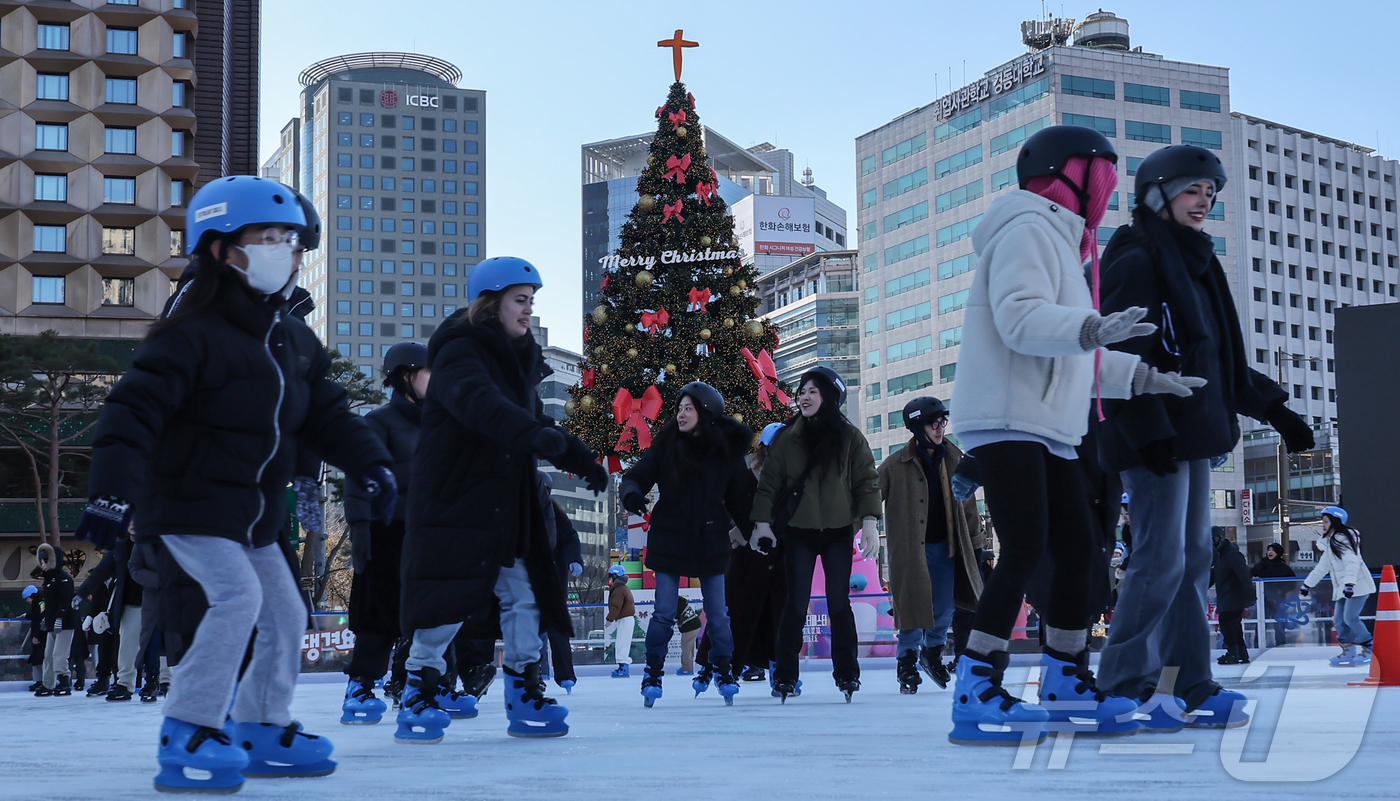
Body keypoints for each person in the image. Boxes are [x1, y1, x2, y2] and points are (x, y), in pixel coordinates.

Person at [77, 175, 397, 793]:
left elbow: (328, 415)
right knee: (238, 600)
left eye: (290, 240)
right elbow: (130, 415)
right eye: (268, 238)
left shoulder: (293, 341)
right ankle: (189, 726)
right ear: (223, 250)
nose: (285, 251)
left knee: (285, 610)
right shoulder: (190, 336)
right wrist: (111, 495)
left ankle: (260, 724)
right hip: (191, 506)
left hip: (254, 518)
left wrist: (373, 463)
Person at [946, 125, 1207, 745]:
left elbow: (1072, 354)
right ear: (1067, 173)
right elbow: (1020, 319)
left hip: (1050, 426)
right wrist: (1092, 327)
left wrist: (1142, 376)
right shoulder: (1028, 228)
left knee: (1079, 553)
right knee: (1028, 547)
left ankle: (1064, 676)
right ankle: (975, 683)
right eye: (1101, 174)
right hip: (1008, 417)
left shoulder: (1068, 246)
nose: (1107, 188)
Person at [1095, 144, 1313, 730]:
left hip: (1191, 437)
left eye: (1210, 192)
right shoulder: (1138, 258)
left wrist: (1276, 411)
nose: (1204, 202)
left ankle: (1186, 681)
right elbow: (1117, 356)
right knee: (1159, 560)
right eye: (1193, 190)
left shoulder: (1199, 262)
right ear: (1157, 193)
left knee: (1192, 560)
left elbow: (1222, 360)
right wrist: (1147, 430)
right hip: (1154, 438)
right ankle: (1122, 683)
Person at [396, 256, 607, 742]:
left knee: (525, 595)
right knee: (449, 598)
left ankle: (524, 690)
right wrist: (539, 437)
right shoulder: (458, 352)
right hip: (458, 498)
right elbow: (480, 407)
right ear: (491, 303)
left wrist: (577, 453)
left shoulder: (520, 362)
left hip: (508, 500)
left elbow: (529, 420)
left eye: (531, 301)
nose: (527, 310)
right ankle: (419, 689)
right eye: (519, 300)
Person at [751, 366, 881, 703]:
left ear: (829, 397)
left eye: (812, 391)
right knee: (795, 603)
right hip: (799, 533)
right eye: (801, 392)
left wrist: (869, 520)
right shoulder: (788, 438)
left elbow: (866, 480)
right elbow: (768, 484)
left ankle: (848, 673)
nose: (804, 397)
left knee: (840, 603)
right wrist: (761, 523)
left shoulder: (850, 438)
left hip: (838, 531)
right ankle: (784, 676)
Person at [620, 381, 755, 707]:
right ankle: (652, 673)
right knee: (664, 612)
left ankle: (723, 670)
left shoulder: (725, 452)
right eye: (679, 408)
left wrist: (756, 530)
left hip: (710, 540)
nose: (680, 414)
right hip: (670, 538)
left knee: (718, 614)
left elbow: (742, 498)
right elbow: (637, 476)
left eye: (688, 408)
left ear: (706, 413)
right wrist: (633, 495)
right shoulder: (666, 446)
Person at [340, 342, 432, 726]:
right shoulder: (378, 423)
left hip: (427, 533)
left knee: (429, 616)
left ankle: (419, 686)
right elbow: (359, 477)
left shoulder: (438, 424)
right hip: (386, 531)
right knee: (379, 615)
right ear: (406, 376)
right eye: (429, 372)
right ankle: (360, 686)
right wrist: (361, 529)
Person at [878, 396, 983, 695]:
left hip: (947, 546)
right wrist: (859, 527)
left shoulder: (954, 458)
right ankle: (907, 662)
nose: (940, 428)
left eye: (942, 422)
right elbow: (869, 497)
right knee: (911, 608)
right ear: (916, 427)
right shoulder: (896, 465)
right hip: (911, 550)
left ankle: (932, 653)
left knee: (945, 608)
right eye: (933, 423)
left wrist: (977, 544)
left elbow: (969, 505)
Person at [1301, 507, 1375, 667]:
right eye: (1323, 522)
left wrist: (1349, 584)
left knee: (1350, 618)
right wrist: (1307, 584)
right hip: (1343, 589)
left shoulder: (1344, 540)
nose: (1323, 525)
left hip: (1357, 586)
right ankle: (1348, 652)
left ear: (1335, 521)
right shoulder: (1331, 543)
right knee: (1339, 620)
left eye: (1326, 522)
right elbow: (1322, 567)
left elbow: (1352, 562)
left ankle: (1369, 649)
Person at [539, 473, 584, 693]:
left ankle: (565, 675)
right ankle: (535, 673)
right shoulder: (519, 511)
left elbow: (570, 537)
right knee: (532, 632)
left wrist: (574, 559)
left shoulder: (556, 514)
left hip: (553, 582)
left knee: (557, 631)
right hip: (527, 583)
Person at [33, 543, 77, 697]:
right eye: (42, 562)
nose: (43, 565)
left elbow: (66, 601)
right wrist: (46, 619)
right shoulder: (48, 580)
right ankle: (48, 683)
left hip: (65, 623)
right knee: (48, 654)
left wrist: (59, 618)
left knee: (59, 654)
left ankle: (64, 681)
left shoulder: (64, 579)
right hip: (52, 623)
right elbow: (48, 604)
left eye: (46, 561)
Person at [1211, 530, 1254, 665]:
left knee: (1227, 624)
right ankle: (1241, 653)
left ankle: (1233, 653)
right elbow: (1213, 577)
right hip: (1227, 596)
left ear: (1217, 539)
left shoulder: (1232, 555)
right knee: (1233, 626)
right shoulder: (1220, 556)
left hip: (1234, 597)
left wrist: (1250, 596)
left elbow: (1244, 575)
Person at [1252, 542, 1296, 647]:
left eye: (1273, 550)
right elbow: (1249, 575)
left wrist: (1281, 591)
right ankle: (1258, 646)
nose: (1270, 552)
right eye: (1269, 550)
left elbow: (1292, 582)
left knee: (1280, 625)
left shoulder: (1283, 568)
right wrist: (1254, 582)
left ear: (1278, 553)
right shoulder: (1261, 566)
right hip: (1264, 601)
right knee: (1261, 624)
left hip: (1278, 601)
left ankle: (1280, 646)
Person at [604, 565, 637, 678]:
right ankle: (622, 667)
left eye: (610, 576)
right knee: (622, 642)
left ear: (615, 576)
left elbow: (616, 607)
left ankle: (623, 668)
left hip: (625, 619)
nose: (609, 579)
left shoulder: (618, 590)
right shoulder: (621, 588)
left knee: (622, 643)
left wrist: (609, 619)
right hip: (625, 619)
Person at [23, 584, 45, 691]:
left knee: (41, 659)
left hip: (41, 637)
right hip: (37, 636)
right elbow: (36, 616)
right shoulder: (37, 605)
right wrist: (27, 615)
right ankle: (38, 680)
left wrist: (37, 635)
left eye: (28, 598)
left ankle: (43, 681)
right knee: (37, 659)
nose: (28, 601)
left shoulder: (41, 604)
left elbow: (41, 619)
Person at [675, 596, 702, 676]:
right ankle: (689, 666)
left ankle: (686, 668)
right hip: (695, 624)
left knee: (686, 646)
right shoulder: (680, 602)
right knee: (690, 646)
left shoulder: (674, 604)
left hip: (690, 626)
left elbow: (673, 616)